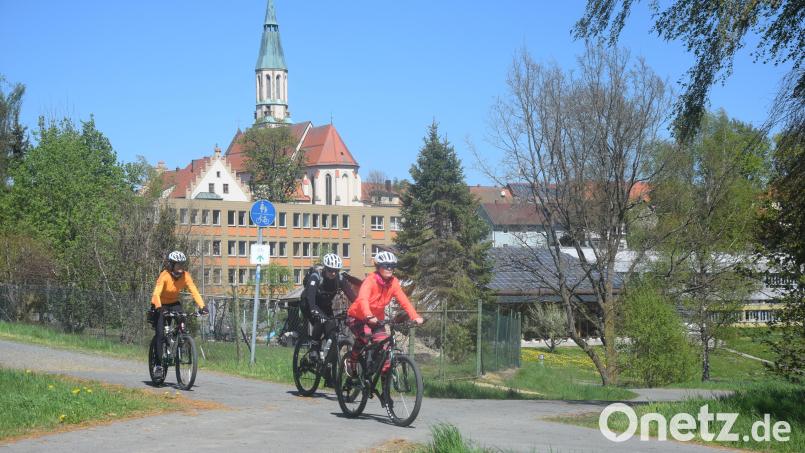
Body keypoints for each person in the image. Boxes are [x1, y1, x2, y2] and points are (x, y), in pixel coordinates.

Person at [345, 251, 423, 377]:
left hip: (377, 319)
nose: (389, 268)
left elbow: (404, 301)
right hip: (357, 316)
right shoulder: (370, 281)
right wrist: (368, 315)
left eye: (392, 266)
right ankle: (352, 360)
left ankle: (384, 385)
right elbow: (362, 299)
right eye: (386, 265)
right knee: (365, 335)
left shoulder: (394, 283)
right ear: (378, 266)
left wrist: (415, 316)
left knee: (385, 346)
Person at [149, 250, 208, 380]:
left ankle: (180, 339)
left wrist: (203, 306)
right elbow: (156, 294)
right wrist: (159, 308)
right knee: (160, 334)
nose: (181, 267)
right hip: (160, 304)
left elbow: (194, 291)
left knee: (182, 317)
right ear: (171, 265)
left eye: (182, 264)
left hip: (174, 303)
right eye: (178, 265)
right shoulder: (164, 275)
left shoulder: (185, 276)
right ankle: (158, 365)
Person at [301, 253, 357, 362]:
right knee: (320, 321)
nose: (333, 273)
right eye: (330, 270)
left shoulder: (340, 279)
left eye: (336, 270)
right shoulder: (316, 276)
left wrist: (359, 310)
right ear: (325, 268)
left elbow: (353, 298)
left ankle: (328, 365)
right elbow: (310, 298)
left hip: (325, 305)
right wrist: (315, 312)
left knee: (331, 331)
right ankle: (314, 347)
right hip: (308, 303)